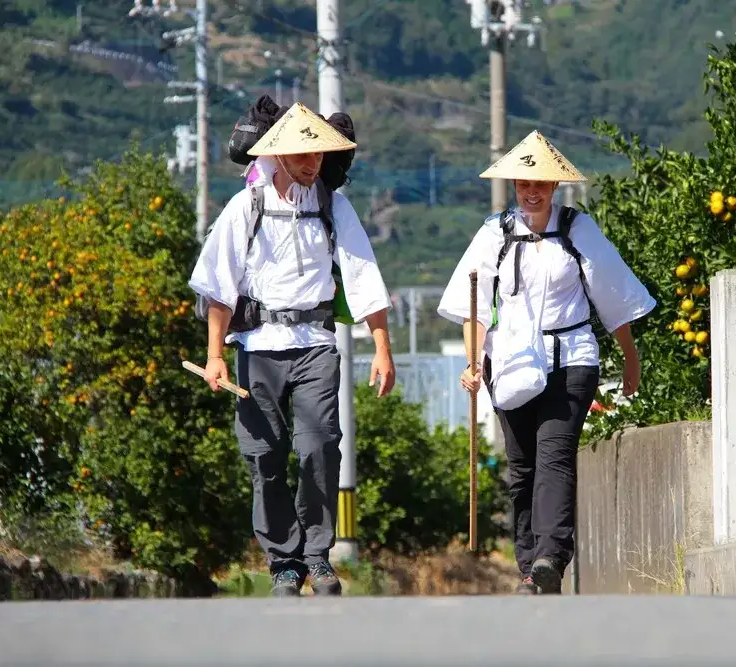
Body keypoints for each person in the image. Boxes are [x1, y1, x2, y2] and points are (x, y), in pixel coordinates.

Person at [189, 103, 397, 598]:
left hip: (315, 346)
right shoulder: (246, 207)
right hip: (257, 347)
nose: (313, 161)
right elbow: (219, 287)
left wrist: (383, 349)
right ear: (279, 153)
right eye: (304, 151)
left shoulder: (332, 205)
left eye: (320, 151)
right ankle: (284, 561)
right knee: (264, 456)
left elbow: (364, 275)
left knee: (320, 446)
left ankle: (318, 557)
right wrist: (215, 355)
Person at [437, 130, 656, 595]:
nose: (532, 191)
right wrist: (473, 361)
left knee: (554, 456)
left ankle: (549, 559)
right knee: (522, 468)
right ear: (514, 186)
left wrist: (629, 357)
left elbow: (611, 294)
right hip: (512, 363)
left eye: (541, 184)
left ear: (556, 187)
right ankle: (528, 565)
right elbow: (472, 304)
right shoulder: (494, 233)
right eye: (523, 184)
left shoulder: (578, 230)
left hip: (570, 361)